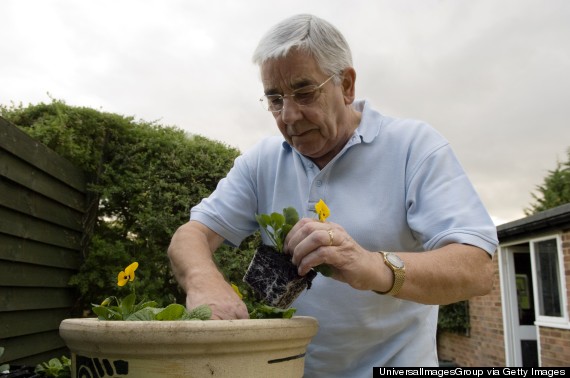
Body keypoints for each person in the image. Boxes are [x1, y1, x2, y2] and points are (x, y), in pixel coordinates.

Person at [168, 14, 498, 375]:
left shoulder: (414, 148)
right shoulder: (263, 161)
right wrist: (205, 283)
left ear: (347, 85)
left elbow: (476, 268)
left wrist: (372, 266)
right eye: (275, 99)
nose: (289, 115)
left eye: (304, 92)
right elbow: (192, 235)